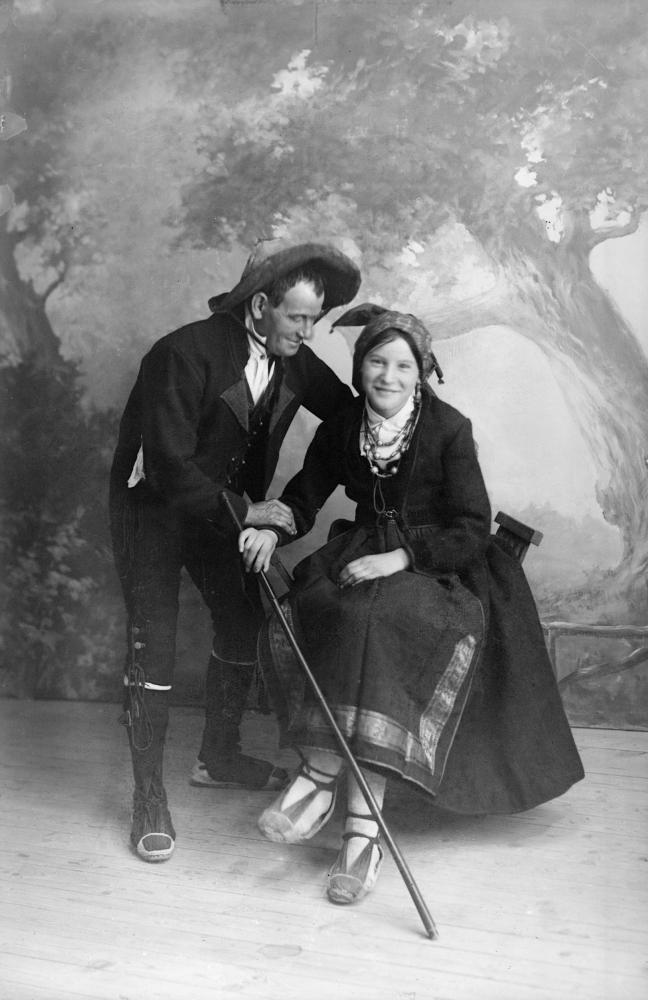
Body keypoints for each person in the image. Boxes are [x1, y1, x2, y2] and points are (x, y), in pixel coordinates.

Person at [239, 303, 585, 905]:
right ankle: (324, 780)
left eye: (403, 366)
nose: (389, 376)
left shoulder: (448, 427)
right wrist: (272, 527)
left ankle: (354, 820)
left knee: (380, 618)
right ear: (360, 366)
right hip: (362, 550)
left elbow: (472, 525)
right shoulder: (343, 425)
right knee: (332, 608)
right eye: (377, 361)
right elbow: (304, 496)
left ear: (421, 371)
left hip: (440, 565)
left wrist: (402, 558)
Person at [109, 240, 361, 862]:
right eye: (298, 318)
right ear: (258, 307)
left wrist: (294, 505)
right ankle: (148, 796)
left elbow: (349, 416)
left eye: (315, 319)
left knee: (244, 616)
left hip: (218, 517)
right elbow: (167, 463)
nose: (308, 332)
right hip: (151, 512)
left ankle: (217, 758)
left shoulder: (294, 358)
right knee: (154, 642)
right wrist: (251, 512)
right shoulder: (180, 353)